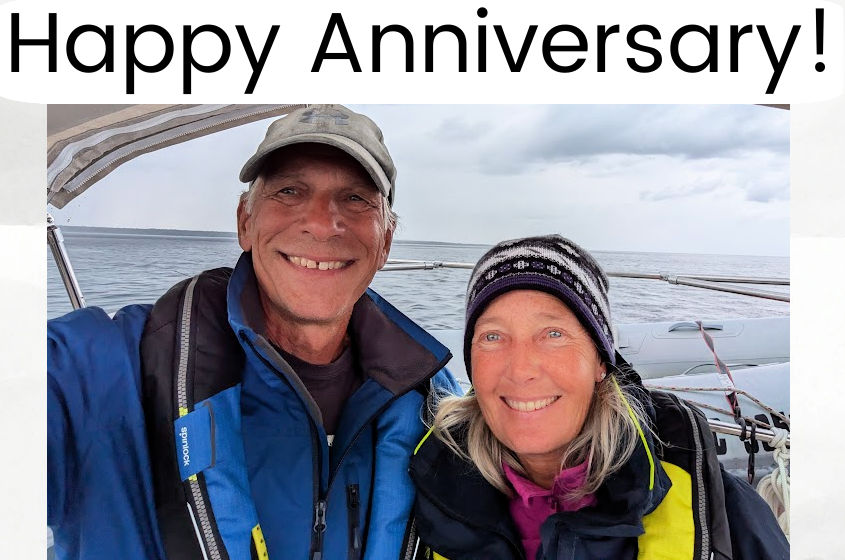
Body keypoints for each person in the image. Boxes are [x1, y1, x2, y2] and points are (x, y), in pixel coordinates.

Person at [48, 104, 459, 560]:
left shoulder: (433, 397)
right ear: (245, 221)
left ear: (385, 241)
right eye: (289, 190)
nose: (323, 223)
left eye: (356, 198)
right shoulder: (101, 368)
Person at [409, 234, 789, 560]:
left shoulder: (720, 509)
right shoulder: (425, 489)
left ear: (601, 362)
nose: (521, 368)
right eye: (493, 336)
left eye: (553, 334)